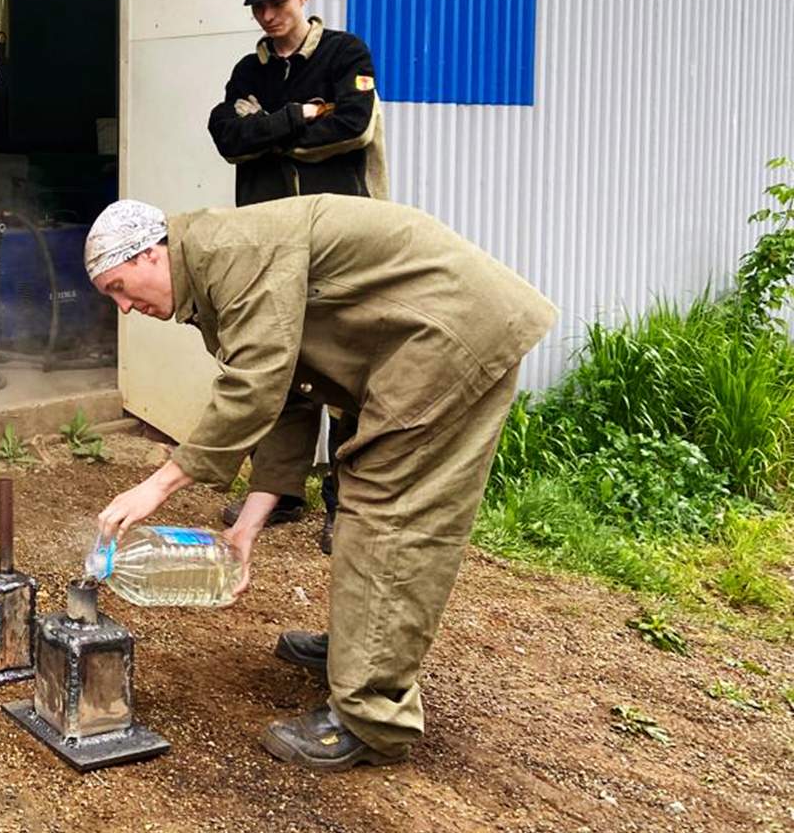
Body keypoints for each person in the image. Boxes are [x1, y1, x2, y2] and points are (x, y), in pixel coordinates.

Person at [86, 196, 555, 771]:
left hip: (448, 337)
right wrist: (247, 532)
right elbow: (286, 396)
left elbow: (254, 384)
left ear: (152, 254)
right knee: (366, 498)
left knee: (388, 511)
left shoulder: (232, 251)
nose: (125, 307)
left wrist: (158, 485)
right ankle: (363, 648)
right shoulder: (213, 275)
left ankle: (372, 719)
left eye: (118, 287)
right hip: (417, 345)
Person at [207, 0, 388, 553]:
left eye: (278, 4)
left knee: (343, 370)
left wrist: (269, 135)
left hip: (340, 242)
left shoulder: (346, 54)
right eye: (258, 7)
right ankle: (280, 489)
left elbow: (352, 128)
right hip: (269, 242)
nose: (267, 16)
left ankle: (344, 500)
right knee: (275, 364)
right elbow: (228, 139)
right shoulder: (247, 71)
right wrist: (294, 117)